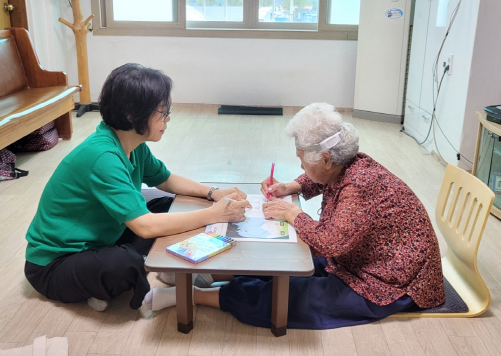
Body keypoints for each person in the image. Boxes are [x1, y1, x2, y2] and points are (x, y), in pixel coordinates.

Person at [141, 102, 445, 329]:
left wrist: (292, 212)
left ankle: (191, 295)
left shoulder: (360, 184)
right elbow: (325, 179)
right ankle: (202, 275)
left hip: (390, 282)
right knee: (283, 263)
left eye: (302, 161)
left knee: (291, 294)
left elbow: (330, 244)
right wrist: (293, 185)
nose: (301, 168)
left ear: (325, 158)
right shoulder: (347, 164)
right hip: (362, 259)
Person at [24, 64, 249, 312]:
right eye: (162, 113)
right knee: (124, 263)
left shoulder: (131, 142)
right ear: (132, 115)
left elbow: (164, 178)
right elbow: (144, 226)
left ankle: (124, 275)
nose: (168, 119)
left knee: (169, 205)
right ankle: (101, 285)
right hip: (56, 263)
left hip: (103, 237)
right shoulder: (103, 157)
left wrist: (212, 193)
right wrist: (214, 214)